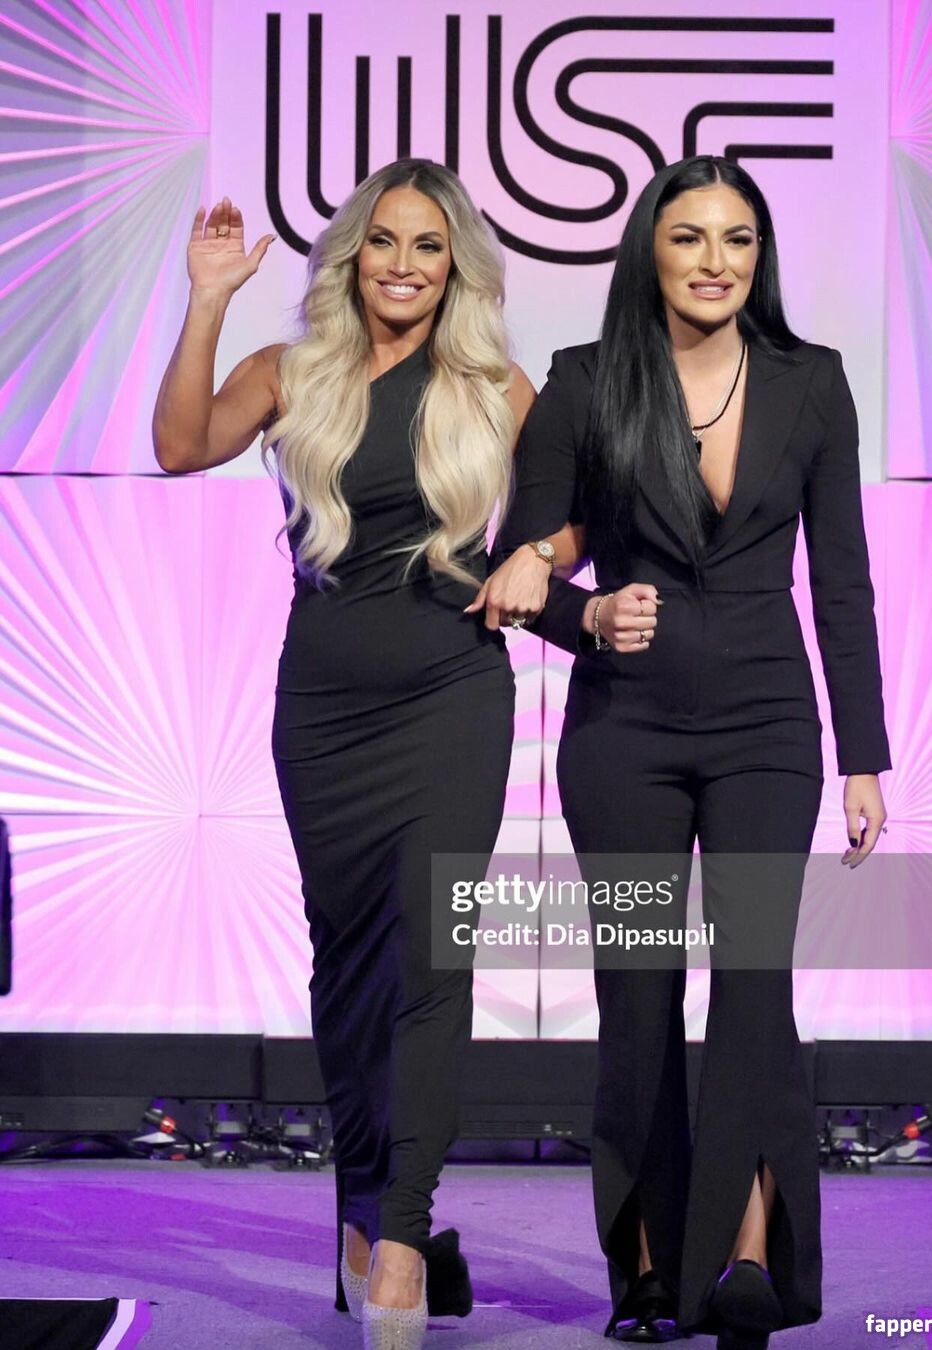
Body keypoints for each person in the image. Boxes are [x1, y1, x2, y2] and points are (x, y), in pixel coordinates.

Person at [152, 158, 574, 1350]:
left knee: (432, 960)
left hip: (453, 698)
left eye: (428, 246)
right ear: (352, 254)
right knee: (347, 972)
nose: (403, 264)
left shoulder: (495, 387)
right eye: (384, 240)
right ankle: (357, 1205)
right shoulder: (290, 374)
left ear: (456, 267)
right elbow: (179, 446)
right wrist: (208, 298)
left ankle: (400, 1236)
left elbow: (572, 512)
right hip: (323, 713)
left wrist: (540, 554)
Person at [474, 155, 890, 1349]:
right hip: (626, 736)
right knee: (640, 994)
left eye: (738, 239)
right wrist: (588, 613)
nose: (716, 261)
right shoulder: (586, 381)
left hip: (770, 726)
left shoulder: (813, 382)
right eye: (690, 237)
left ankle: (747, 1254)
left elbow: (844, 581)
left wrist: (864, 755)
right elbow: (521, 569)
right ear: (649, 253)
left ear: (761, 256)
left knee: (754, 989)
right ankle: (652, 1264)